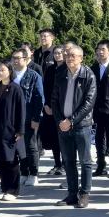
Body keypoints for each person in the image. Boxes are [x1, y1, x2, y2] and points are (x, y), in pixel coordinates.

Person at [52, 43, 97, 209]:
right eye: (67, 55)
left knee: (85, 161)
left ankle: (84, 194)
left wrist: (71, 121)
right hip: (62, 125)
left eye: (73, 55)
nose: (69, 58)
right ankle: (72, 194)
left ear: (81, 58)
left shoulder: (88, 75)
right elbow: (54, 100)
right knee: (68, 161)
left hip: (81, 125)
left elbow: (88, 103)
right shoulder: (60, 73)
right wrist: (60, 121)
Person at [0, 61, 27, 201]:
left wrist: (20, 130)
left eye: (2, 70)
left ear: (9, 71)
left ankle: (13, 190)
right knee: (1, 160)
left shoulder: (16, 89)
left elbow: (21, 111)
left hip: (11, 131)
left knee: (11, 161)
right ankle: (4, 188)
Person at [11, 48, 45, 189]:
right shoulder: (10, 75)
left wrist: (36, 118)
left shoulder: (34, 76)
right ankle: (24, 172)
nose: (15, 61)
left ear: (25, 60)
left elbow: (39, 98)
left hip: (28, 117)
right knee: (19, 147)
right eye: (13, 58)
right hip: (13, 118)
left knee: (31, 146)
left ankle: (34, 174)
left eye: (18, 58)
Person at [92, 41, 109, 178]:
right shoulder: (93, 68)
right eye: (98, 49)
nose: (100, 52)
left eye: (103, 49)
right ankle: (101, 165)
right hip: (97, 109)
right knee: (98, 138)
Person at [40, 45, 66, 175]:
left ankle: (65, 164)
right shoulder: (50, 69)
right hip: (50, 108)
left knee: (64, 138)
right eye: (55, 53)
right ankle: (57, 164)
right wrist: (46, 105)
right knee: (54, 138)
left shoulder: (67, 69)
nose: (57, 55)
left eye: (60, 53)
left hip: (63, 109)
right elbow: (45, 88)